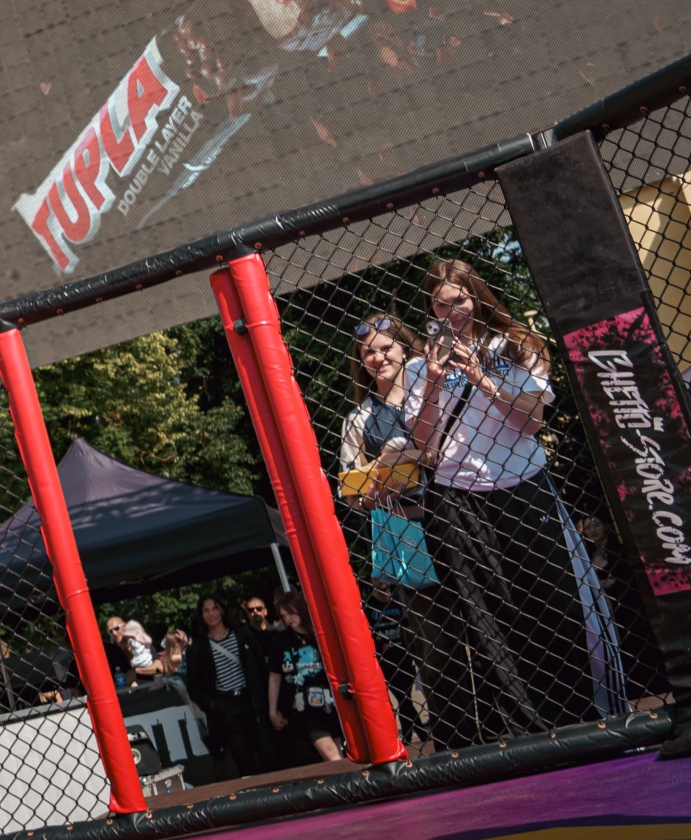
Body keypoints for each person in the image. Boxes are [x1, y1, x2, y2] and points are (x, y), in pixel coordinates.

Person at [408, 258, 600, 735]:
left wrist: (481, 379)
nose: (452, 311)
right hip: (459, 496)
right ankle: (525, 731)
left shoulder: (514, 345)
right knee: (490, 615)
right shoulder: (419, 367)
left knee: (555, 602)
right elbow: (424, 444)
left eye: (459, 300)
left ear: (477, 296)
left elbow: (531, 422)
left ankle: (583, 715)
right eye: (440, 304)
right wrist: (433, 379)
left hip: (523, 484)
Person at [341, 313, 477, 748]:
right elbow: (350, 492)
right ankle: (459, 746)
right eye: (368, 352)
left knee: (485, 628)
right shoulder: (358, 419)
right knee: (436, 649)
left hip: (461, 522)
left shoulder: (438, 392)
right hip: (406, 535)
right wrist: (377, 485)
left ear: (405, 349)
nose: (377, 358)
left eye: (386, 348)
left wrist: (416, 456)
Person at [181, 596, 273, 776]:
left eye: (215, 608)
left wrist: (265, 700)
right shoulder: (197, 649)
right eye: (206, 610)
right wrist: (214, 705)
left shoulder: (244, 635)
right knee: (244, 760)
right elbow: (194, 687)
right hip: (226, 705)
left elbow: (262, 670)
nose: (211, 614)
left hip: (252, 702)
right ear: (201, 615)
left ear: (222, 610)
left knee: (269, 753)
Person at [262, 593, 344, 765]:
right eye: (284, 616)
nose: (288, 619)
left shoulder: (320, 633)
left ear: (301, 608)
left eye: (291, 613)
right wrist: (272, 710)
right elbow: (274, 677)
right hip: (305, 707)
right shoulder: (281, 640)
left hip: (331, 701)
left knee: (336, 755)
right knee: (332, 755)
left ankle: (348, 780)